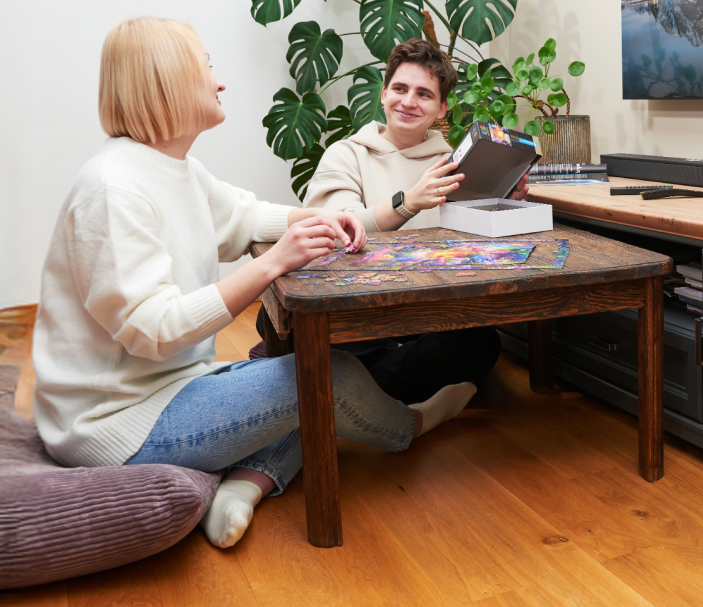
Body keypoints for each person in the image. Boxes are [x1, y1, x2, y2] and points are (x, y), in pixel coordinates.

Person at [33, 18, 475, 549]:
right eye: (208, 69)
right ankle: (409, 427)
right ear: (168, 81)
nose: (220, 83)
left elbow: (244, 216)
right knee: (323, 377)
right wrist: (272, 264)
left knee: (302, 382)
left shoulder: (174, 169)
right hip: (114, 423)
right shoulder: (113, 188)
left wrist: (318, 222)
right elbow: (151, 330)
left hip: (171, 386)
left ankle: (246, 482)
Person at [282, 38, 525, 403]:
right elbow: (336, 232)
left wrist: (501, 200)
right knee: (304, 331)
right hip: (359, 306)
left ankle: (346, 397)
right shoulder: (345, 154)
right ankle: (393, 398)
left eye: (424, 94)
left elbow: (474, 250)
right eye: (400, 88)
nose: (408, 101)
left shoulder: (454, 165)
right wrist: (407, 202)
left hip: (427, 309)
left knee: (480, 342)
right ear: (382, 94)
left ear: (442, 108)